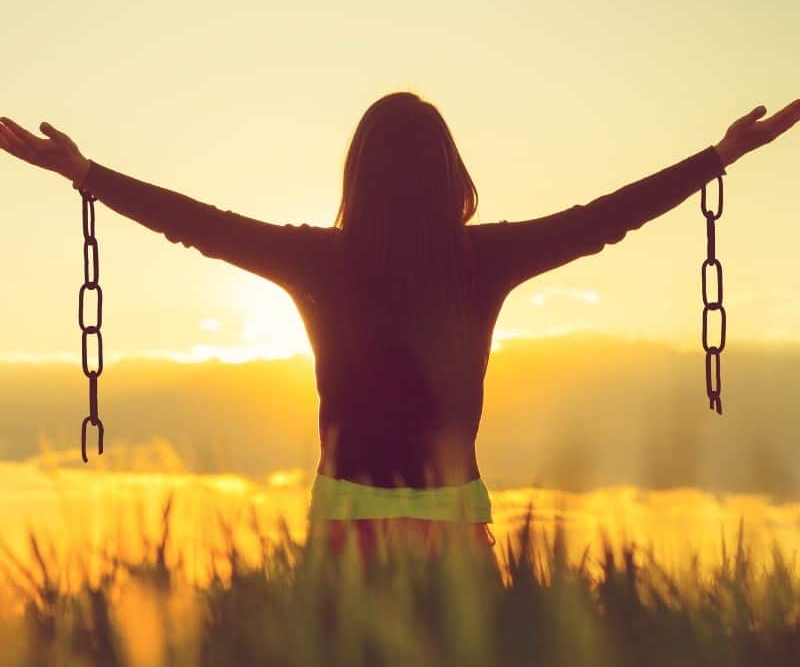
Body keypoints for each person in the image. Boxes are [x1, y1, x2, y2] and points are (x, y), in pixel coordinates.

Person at [1, 94, 799, 571]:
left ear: (358, 176)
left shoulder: (317, 259)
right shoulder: (480, 259)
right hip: (453, 531)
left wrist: (84, 173)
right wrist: (720, 155)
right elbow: (605, 220)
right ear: (451, 176)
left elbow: (198, 226)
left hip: (343, 533)